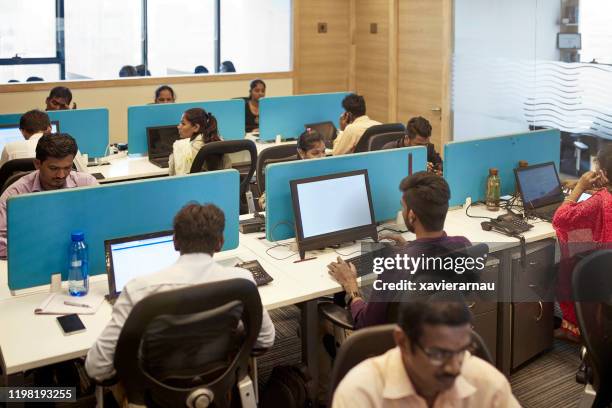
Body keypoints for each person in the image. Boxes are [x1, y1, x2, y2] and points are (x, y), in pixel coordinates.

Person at [85, 203, 275, 381]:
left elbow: (97, 368)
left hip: (154, 392)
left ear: (175, 242)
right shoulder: (241, 281)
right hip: (218, 382)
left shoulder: (139, 290)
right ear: (220, 242)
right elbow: (265, 339)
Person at [327, 172, 471, 329]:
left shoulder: (395, 265)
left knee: (332, 312)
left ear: (411, 215)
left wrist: (352, 287)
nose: (402, 211)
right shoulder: (463, 245)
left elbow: (366, 323)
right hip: (445, 338)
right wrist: (411, 248)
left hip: (401, 346)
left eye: (403, 206)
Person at [332, 297, 520, 407]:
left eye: (462, 350)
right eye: (439, 354)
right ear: (402, 342)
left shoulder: (487, 384)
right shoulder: (360, 394)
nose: (455, 368)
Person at [0, 134, 98, 257]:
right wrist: (39, 248)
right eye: (53, 168)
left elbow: (103, 223)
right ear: (37, 164)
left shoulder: (87, 184)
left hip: (78, 254)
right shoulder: (16, 193)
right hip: (33, 258)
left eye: (67, 168)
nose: (61, 175)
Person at [552, 144, 612, 341]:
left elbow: (561, 218)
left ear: (602, 172)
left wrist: (579, 188)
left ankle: (573, 329)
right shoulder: (603, 195)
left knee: (567, 266)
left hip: (603, 273)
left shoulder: (600, 200)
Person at [258, 129, 327, 209]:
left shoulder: (330, 169)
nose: (322, 157)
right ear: (301, 153)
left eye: (324, 151)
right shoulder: (291, 174)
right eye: (315, 153)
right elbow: (262, 202)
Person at [0, 110, 88, 171]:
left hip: (20, 196)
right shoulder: (68, 147)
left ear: (22, 131)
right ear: (49, 128)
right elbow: (85, 176)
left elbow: (2, 180)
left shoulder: (10, 149)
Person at [168, 108, 230, 176]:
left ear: (196, 127)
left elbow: (172, 174)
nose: (178, 126)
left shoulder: (180, 146)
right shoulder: (218, 143)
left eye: (183, 123)